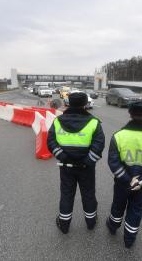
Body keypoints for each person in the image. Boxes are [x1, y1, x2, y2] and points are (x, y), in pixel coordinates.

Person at [105, 101, 142, 248]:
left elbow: (113, 162)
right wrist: (141, 180)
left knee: (118, 205)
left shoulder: (119, 136)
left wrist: (127, 179)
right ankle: (129, 239)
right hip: (141, 185)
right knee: (136, 209)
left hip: (122, 182)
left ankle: (113, 227)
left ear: (130, 114)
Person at [47, 92, 105, 234]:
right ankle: (91, 223)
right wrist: (87, 162)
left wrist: (63, 157)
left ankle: (64, 225)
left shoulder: (57, 121)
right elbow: (99, 145)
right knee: (88, 194)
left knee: (67, 194)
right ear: (85, 104)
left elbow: (51, 141)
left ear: (68, 103)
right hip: (87, 168)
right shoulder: (94, 122)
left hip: (66, 167)